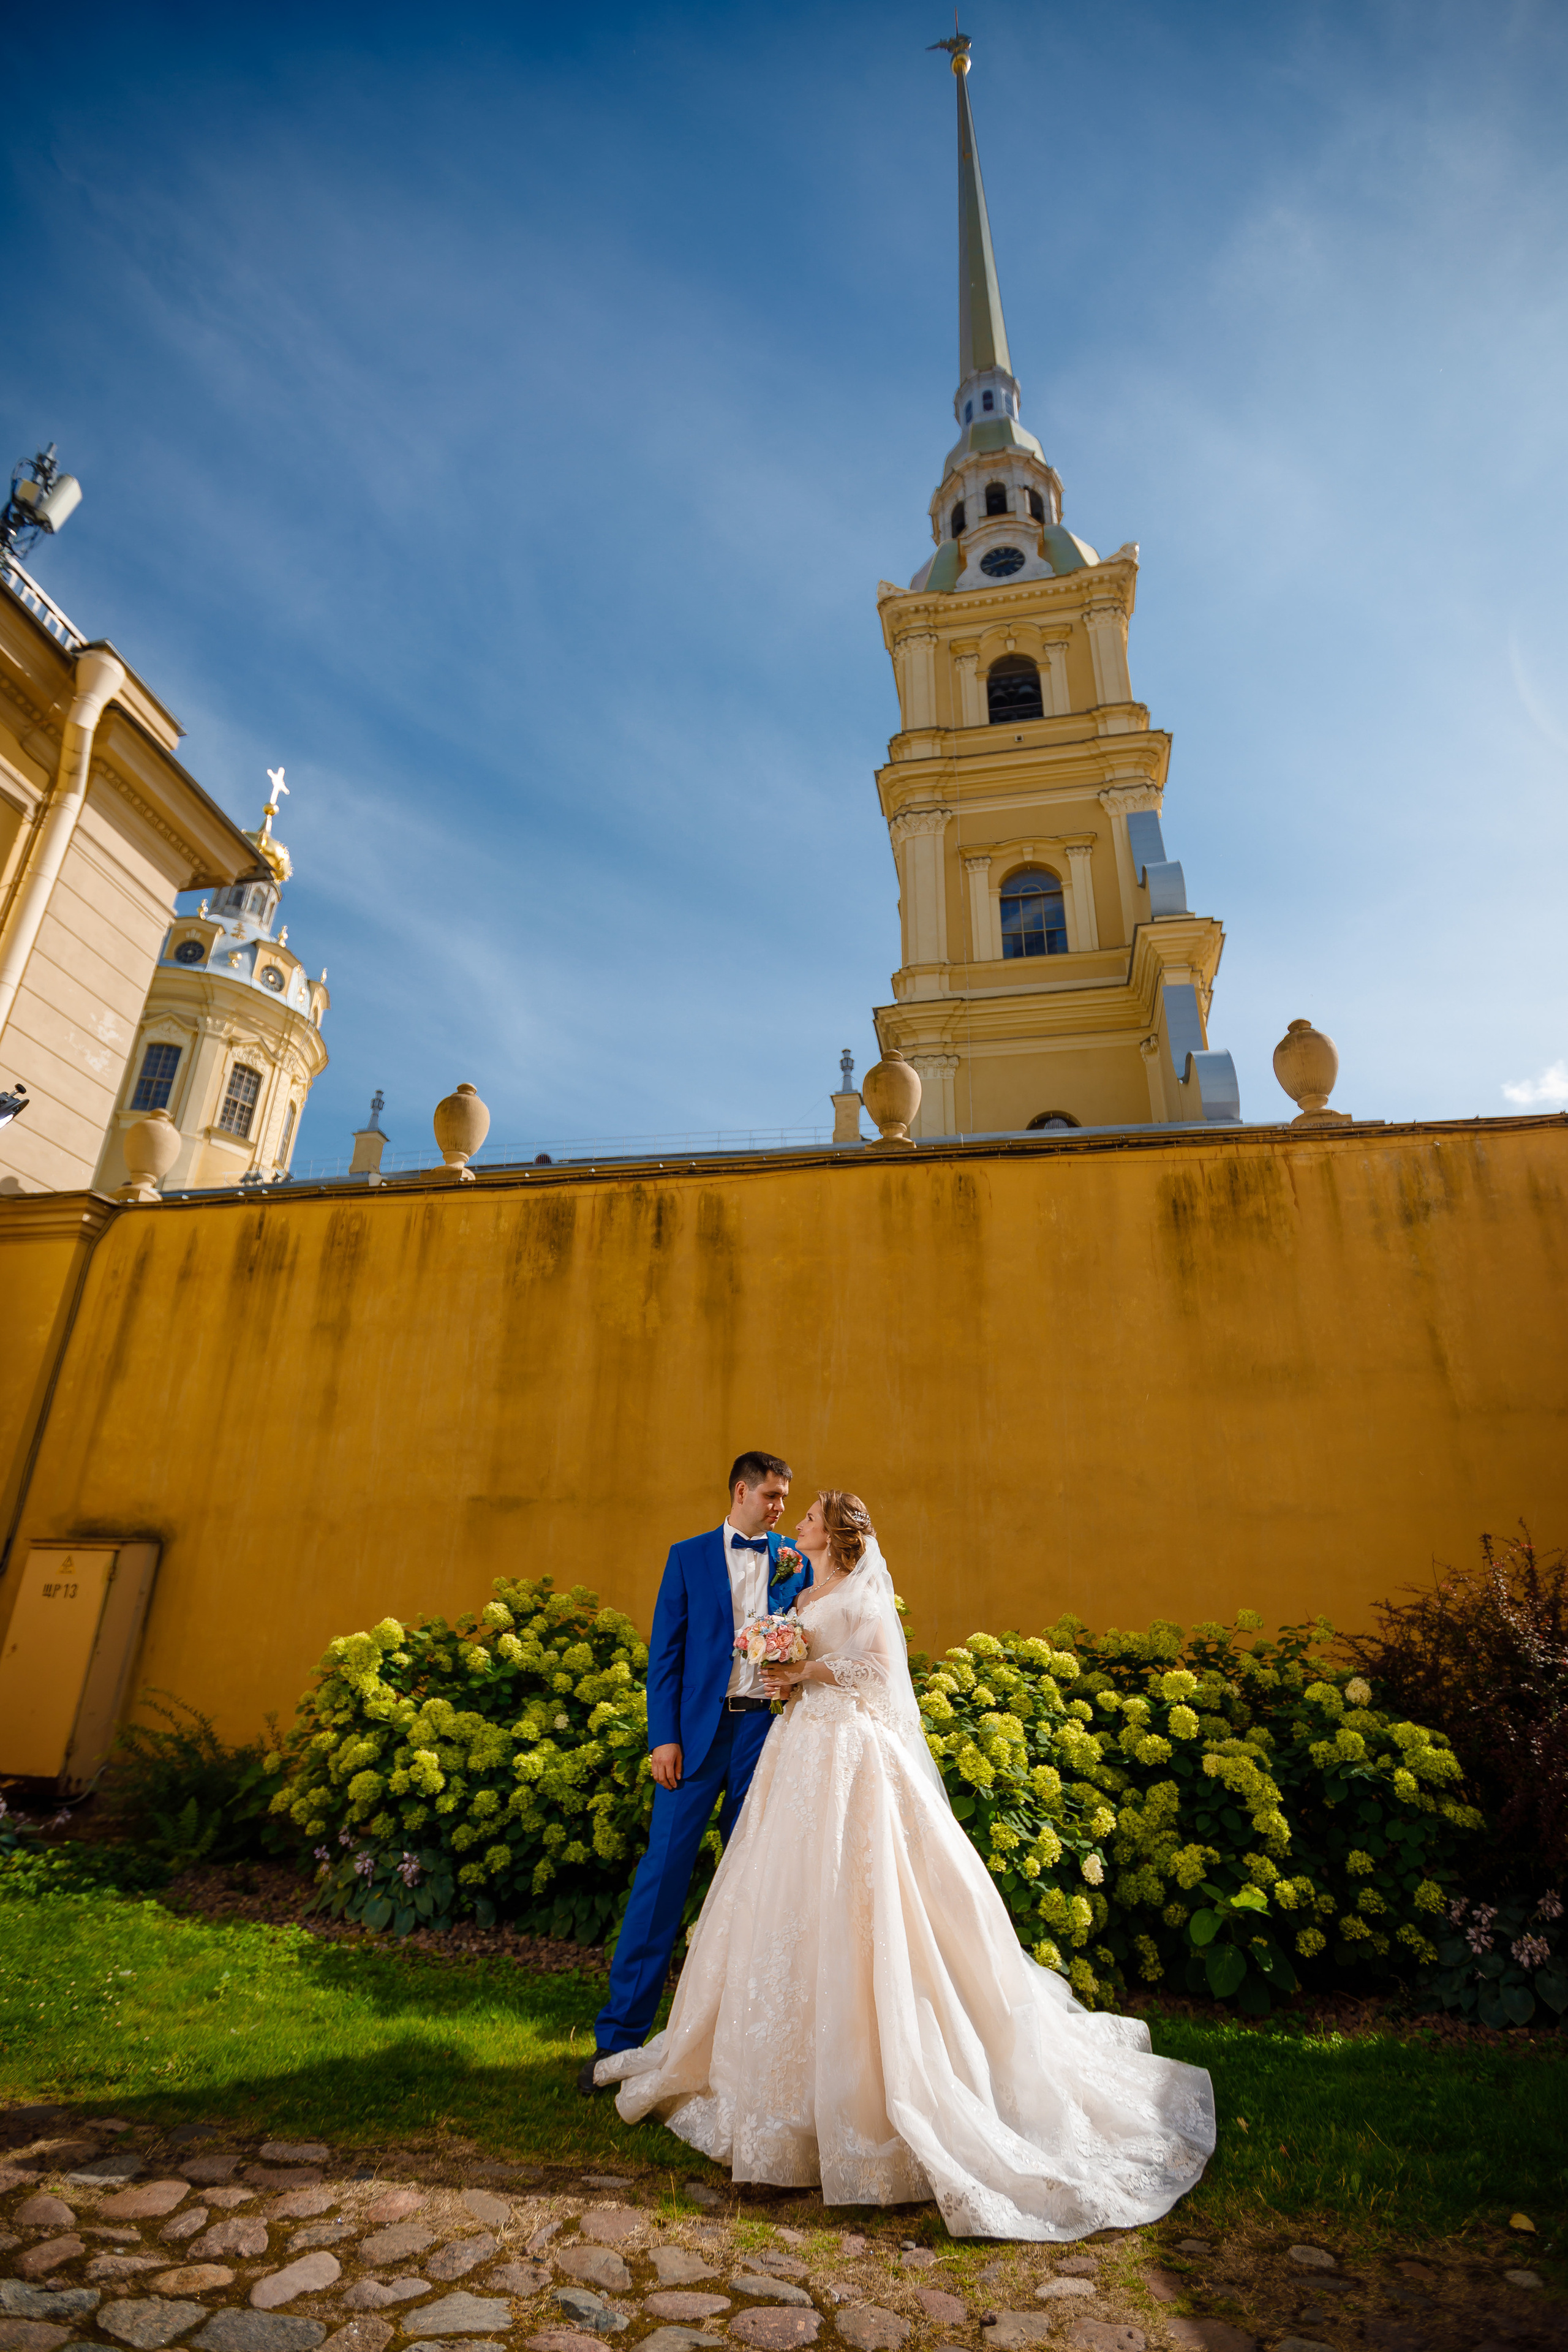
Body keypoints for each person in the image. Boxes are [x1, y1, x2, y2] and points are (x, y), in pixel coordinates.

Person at [594, 1491, 1216, 2241]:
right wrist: (783, 1668)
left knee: (861, 1901)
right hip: (798, 1754)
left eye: (809, 1519)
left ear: (836, 1534)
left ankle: (876, 2088)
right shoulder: (807, 1588)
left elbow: (880, 1673)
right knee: (781, 1902)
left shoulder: (858, 1594)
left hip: (849, 1758)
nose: (798, 1526)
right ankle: (763, 2082)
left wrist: (808, 1673)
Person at [578, 1449, 814, 2094]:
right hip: (696, 1741)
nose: (779, 1509)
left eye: (785, 1500)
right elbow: (667, 1655)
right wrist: (664, 1739)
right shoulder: (686, 1557)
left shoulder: (798, 1558)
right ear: (740, 1491)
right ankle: (618, 2040)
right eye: (770, 1496)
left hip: (765, 1738)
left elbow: (815, 1636)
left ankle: (739, 2050)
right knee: (661, 1880)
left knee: (755, 1889)